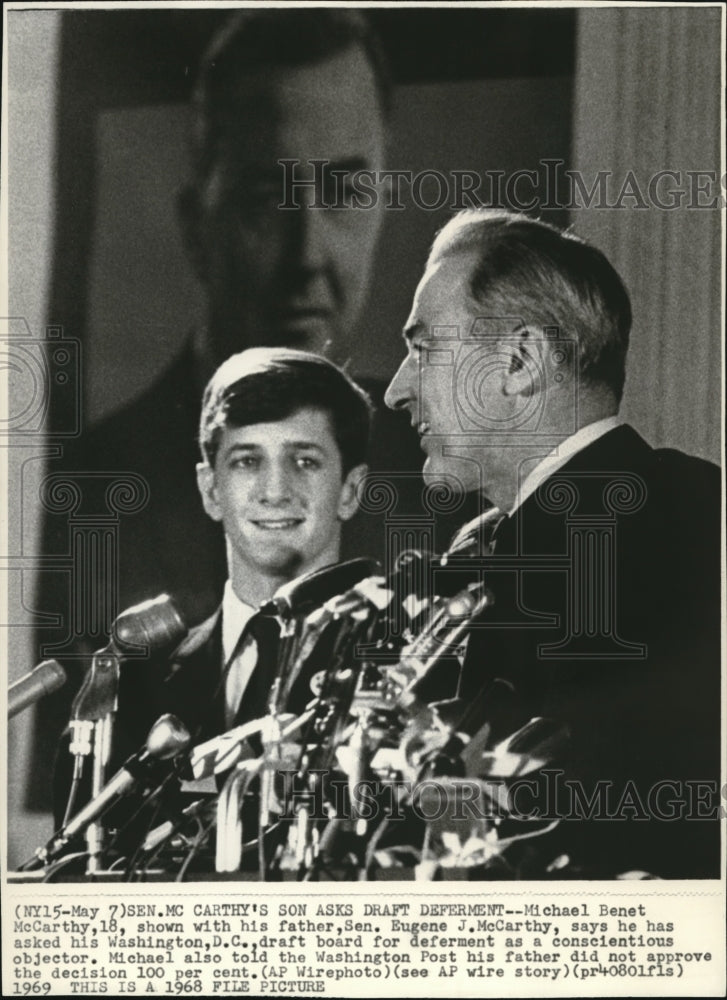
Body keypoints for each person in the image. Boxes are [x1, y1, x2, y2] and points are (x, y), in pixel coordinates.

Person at [33, 9, 422, 806]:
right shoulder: (83, 494)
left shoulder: (440, 482)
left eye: (345, 190)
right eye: (261, 198)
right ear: (193, 225)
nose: (307, 252)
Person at [384, 208, 722, 878]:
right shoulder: (675, 507)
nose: (396, 390)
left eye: (422, 347)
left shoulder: (625, 538)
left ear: (519, 361)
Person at [52, 348, 373, 859]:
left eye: (304, 461)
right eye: (247, 461)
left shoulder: (397, 661)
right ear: (210, 490)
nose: (274, 490)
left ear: (350, 490)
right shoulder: (135, 689)